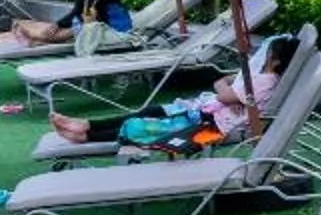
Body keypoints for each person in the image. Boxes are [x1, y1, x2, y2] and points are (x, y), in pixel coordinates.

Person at [48, 33, 296, 149]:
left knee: (144, 127)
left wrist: (221, 81)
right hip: (205, 114)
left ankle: (86, 136)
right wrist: (231, 81)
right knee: (149, 112)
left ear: (274, 60)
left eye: (267, 51)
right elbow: (233, 89)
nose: (262, 53)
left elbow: (224, 94)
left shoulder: (265, 81)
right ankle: (87, 126)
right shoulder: (262, 77)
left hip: (211, 124)